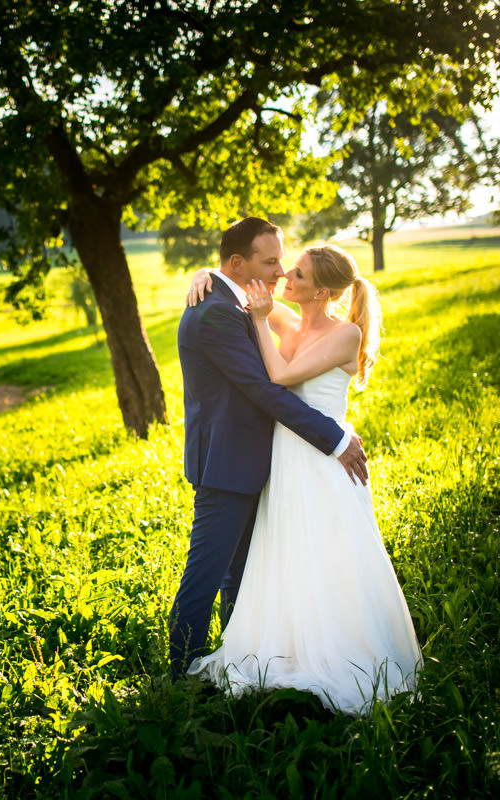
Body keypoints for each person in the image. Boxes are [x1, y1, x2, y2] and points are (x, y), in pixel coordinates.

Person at [183, 241, 421, 715]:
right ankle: (286, 644)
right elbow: (236, 282)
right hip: (284, 460)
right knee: (281, 557)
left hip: (323, 462)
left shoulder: (345, 334)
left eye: (298, 275)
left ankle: (334, 653)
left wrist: (256, 320)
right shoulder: (291, 322)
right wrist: (205, 273)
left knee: (329, 558)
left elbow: (280, 378)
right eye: (287, 269)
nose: (285, 278)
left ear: (322, 291)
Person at [170, 217, 368, 686]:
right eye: (271, 261)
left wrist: (209, 273)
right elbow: (265, 389)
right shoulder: (217, 309)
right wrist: (336, 438)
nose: (280, 272)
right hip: (227, 464)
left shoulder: (234, 300)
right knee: (207, 576)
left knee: (239, 577)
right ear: (238, 263)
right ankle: (180, 680)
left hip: (257, 463)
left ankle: (239, 657)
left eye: (284, 261)